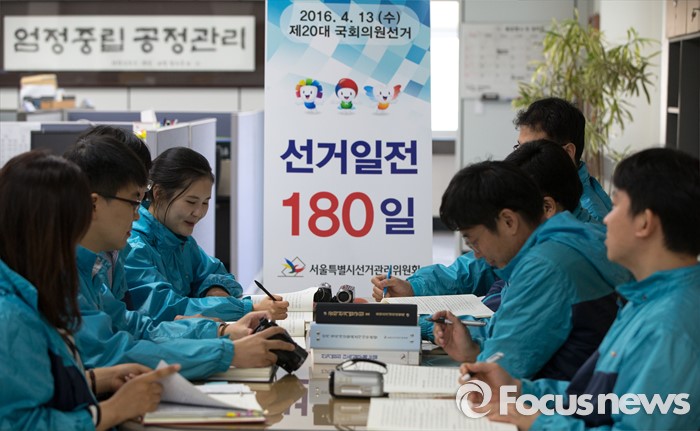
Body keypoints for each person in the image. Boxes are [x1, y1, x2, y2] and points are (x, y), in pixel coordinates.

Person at [465, 148, 700, 430]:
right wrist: (519, 390)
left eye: (617, 206)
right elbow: (595, 398)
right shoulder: (646, 301)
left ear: (644, 222)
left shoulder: (670, 326)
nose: (607, 218)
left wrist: (539, 422)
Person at [64, 134, 295, 380]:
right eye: (133, 201)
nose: (137, 214)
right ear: (94, 204)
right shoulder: (68, 274)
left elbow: (136, 326)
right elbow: (117, 350)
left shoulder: (95, 267)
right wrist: (227, 348)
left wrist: (218, 328)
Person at [0, 151, 181, 430]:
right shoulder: (10, 315)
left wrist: (97, 380)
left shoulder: (31, 289)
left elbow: (34, 382)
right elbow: (20, 423)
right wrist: (114, 409)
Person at [430, 161, 628, 380]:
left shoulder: (544, 267)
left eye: (474, 241)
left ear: (508, 221)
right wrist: (474, 349)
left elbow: (500, 374)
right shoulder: (571, 239)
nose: (476, 254)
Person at [124, 146, 288, 323]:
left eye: (205, 203)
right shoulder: (134, 245)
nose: (199, 212)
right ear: (158, 193)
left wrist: (214, 289)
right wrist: (249, 308)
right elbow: (164, 307)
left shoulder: (179, 239)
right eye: (191, 202)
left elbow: (216, 272)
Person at [514, 96, 612, 222]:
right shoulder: (550, 193)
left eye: (532, 150)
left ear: (567, 152)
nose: (520, 158)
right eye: (519, 147)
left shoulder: (589, 218)